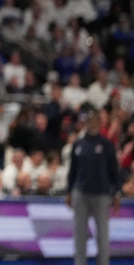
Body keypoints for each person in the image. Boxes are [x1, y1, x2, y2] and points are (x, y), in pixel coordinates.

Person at [66, 108, 121, 265]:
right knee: (80, 234)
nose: (92, 123)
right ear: (85, 123)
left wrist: (116, 192)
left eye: (95, 120)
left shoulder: (107, 145)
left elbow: (114, 170)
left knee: (102, 235)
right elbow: (73, 170)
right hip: (80, 193)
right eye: (89, 120)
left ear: (100, 122)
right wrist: (69, 192)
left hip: (101, 194)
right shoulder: (78, 144)